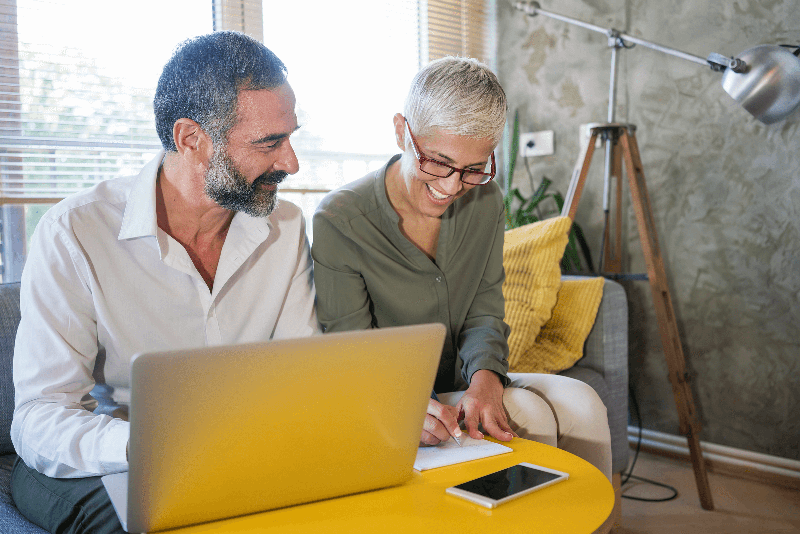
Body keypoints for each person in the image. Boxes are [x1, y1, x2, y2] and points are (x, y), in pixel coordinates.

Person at [10, 31, 318, 534]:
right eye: (269, 143)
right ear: (190, 139)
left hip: (238, 451)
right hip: (109, 453)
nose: (291, 162)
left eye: (290, 137)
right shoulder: (76, 232)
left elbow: (302, 372)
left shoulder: (284, 227)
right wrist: (148, 446)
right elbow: (40, 416)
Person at [312, 57, 612, 481]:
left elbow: (485, 309)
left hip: (462, 382)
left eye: (474, 169)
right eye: (437, 160)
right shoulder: (340, 218)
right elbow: (350, 348)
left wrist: (487, 379)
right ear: (402, 131)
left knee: (583, 404)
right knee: (530, 414)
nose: (452, 187)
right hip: (391, 395)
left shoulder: (486, 202)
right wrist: (401, 405)